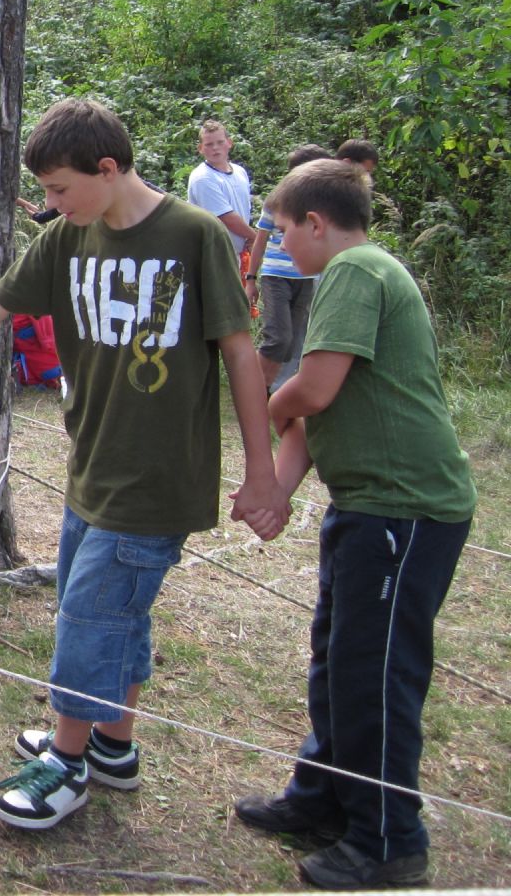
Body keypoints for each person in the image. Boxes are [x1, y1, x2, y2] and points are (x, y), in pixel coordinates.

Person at [0, 98, 281, 831]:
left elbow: (240, 352)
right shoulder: (69, 240)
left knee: (90, 618)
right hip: (92, 467)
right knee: (113, 612)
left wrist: (263, 470)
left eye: (58, 190)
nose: (50, 205)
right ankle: (113, 743)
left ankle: (66, 763)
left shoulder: (193, 236)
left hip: (155, 475)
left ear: (107, 170)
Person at [234, 159, 475, 890]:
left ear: (315, 222)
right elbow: (321, 407)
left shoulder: (355, 271)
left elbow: (308, 390)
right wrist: (273, 491)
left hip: (406, 510)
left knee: (376, 674)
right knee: (340, 658)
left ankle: (389, 840)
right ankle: (323, 797)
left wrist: (264, 413)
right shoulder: (347, 279)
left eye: (281, 231)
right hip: (368, 507)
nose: (279, 246)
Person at [245, 144, 333, 391]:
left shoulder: (322, 203)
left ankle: (270, 391)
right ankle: (252, 391)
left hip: (306, 276)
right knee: (278, 338)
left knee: (293, 341)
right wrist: (251, 279)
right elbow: (260, 240)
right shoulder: (278, 200)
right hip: (276, 275)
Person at [185, 118, 254, 262]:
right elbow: (226, 217)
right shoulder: (203, 178)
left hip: (238, 253)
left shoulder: (240, 171)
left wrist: (249, 237)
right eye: (209, 144)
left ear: (229, 143)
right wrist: (255, 236)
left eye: (220, 142)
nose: (215, 148)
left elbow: (244, 210)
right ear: (201, 148)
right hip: (214, 255)